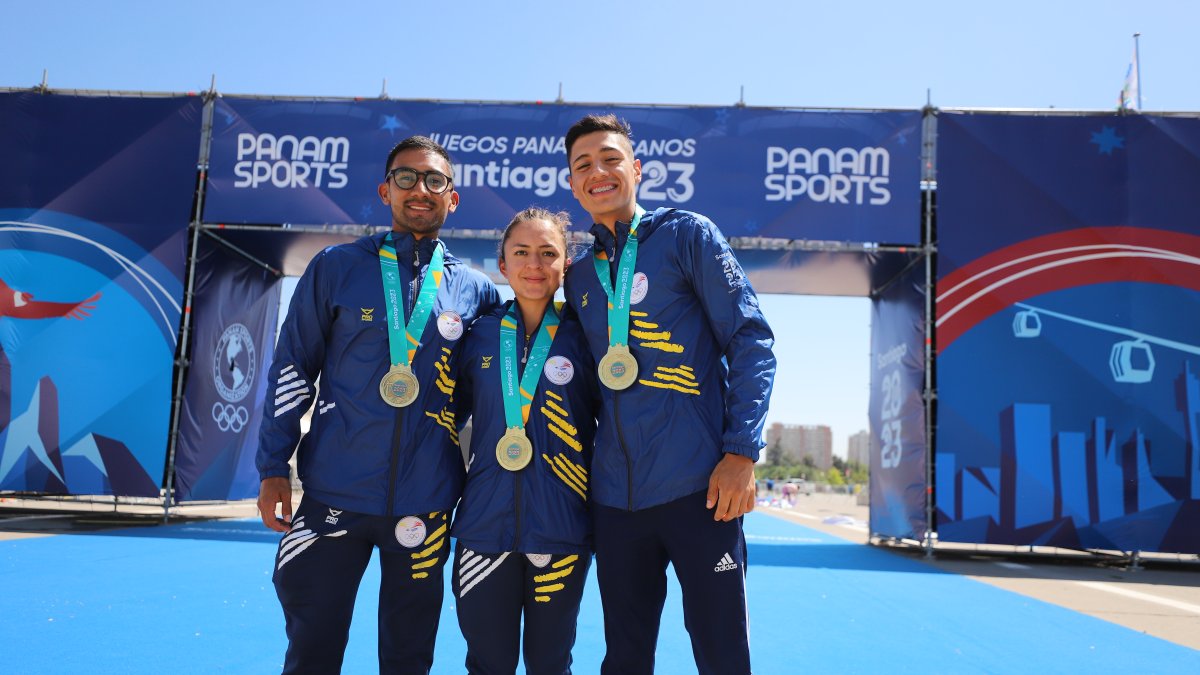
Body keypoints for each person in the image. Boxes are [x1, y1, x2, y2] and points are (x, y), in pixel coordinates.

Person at [255, 135, 501, 674]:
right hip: (333, 494)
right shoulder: (336, 267)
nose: (420, 190)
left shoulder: (477, 291)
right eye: (407, 178)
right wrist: (274, 466)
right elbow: (293, 368)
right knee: (312, 651)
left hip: (427, 500)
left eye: (435, 180)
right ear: (385, 190)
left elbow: (505, 377)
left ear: (452, 198)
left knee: (409, 657)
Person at [561, 114, 776, 675]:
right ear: (572, 183)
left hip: (700, 488)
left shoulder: (687, 234)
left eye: (610, 159)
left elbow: (752, 340)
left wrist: (740, 453)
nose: (598, 172)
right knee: (625, 658)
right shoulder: (579, 274)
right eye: (583, 165)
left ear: (635, 169)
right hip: (615, 500)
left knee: (721, 652)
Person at [449, 208, 599, 674]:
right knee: (488, 664)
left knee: (550, 664)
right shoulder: (479, 336)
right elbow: (443, 418)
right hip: (483, 532)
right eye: (522, 252)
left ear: (565, 266)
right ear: (503, 264)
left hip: (562, 531)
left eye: (548, 253)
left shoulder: (589, 336)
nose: (534, 263)